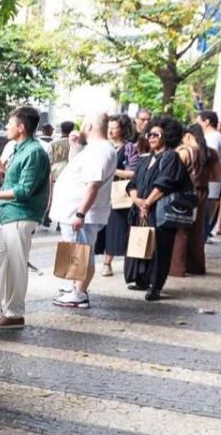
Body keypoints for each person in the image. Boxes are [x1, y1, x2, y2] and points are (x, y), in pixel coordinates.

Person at [0, 106, 50, 329]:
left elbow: (24, 190)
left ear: (21, 127)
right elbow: (18, 181)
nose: (5, 127)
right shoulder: (21, 149)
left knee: (16, 266)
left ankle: (15, 313)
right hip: (10, 214)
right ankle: (0, 309)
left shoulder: (34, 152)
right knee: (0, 263)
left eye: (9, 123)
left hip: (21, 214)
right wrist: (3, 176)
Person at [51, 113, 116, 309]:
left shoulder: (99, 151)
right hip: (78, 211)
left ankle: (79, 293)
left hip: (81, 212)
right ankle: (76, 288)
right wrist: (75, 147)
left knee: (82, 251)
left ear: (88, 126)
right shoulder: (96, 149)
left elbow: (92, 184)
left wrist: (80, 213)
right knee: (79, 250)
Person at [124, 116, 188, 301]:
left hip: (159, 211)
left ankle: (156, 285)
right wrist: (137, 201)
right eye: (149, 134)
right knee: (141, 242)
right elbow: (133, 182)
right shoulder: (145, 159)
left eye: (155, 134)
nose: (151, 137)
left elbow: (166, 183)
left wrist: (147, 202)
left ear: (167, 136)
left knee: (160, 248)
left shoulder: (170, 157)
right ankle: (142, 279)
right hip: (142, 210)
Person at [170, 123, 216, 276]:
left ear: (188, 136)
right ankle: (196, 266)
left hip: (186, 193)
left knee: (181, 230)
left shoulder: (184, 152)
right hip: (203, 193)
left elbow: (174, 174)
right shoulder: (211, 153)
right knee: (197, 231)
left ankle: (177, 268)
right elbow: (216, 176)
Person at [96, 114, 138, 277]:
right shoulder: (102, 146)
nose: (111, 131)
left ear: (123, 129)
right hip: (100, 192)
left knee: (114, 227)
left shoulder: (128, 148)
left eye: (115, 127)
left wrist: (112, 170)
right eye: (109, 127)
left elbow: (133, 172)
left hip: (117, 194)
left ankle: (107, 263)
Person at [198, 111, 221, 242]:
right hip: (211, 186)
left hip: (209, 185)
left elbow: (208, 156)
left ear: (207, 122)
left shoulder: (213, 138)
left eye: (199, 121)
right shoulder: (216, 136)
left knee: (202, 221)